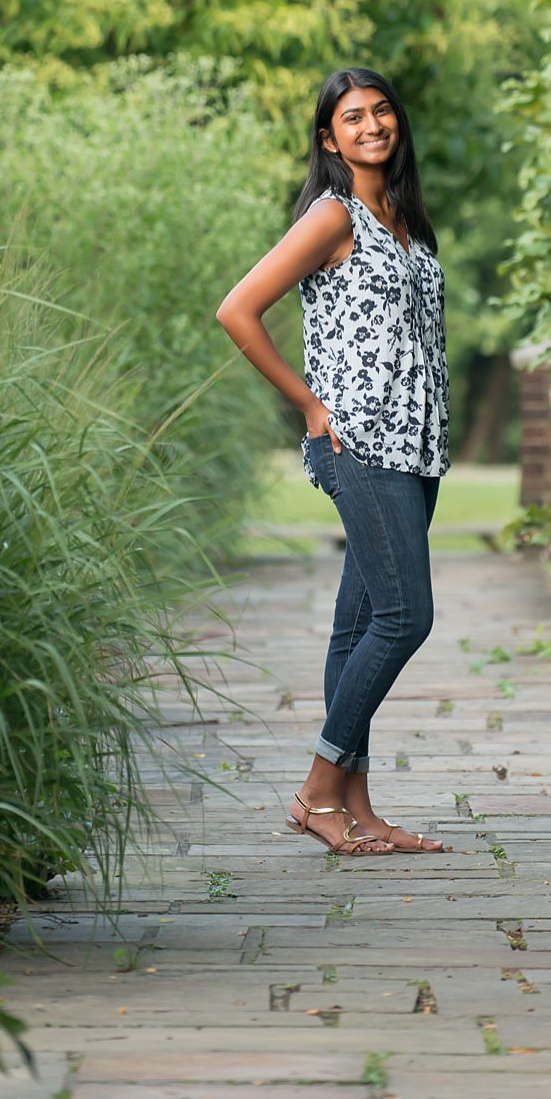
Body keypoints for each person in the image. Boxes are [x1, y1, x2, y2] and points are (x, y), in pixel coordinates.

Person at [215, 67, 452, 856]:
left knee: (359, 626)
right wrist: (310, 405)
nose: (373, 125)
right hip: (360, 441)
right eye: (353, 117)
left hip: (416, 447)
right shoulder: (332, 214)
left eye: (383, 110)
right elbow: (238, 309)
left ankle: (358, 808)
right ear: (329, 137)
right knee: (404, 616)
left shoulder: (404, 216)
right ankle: (318, 793)